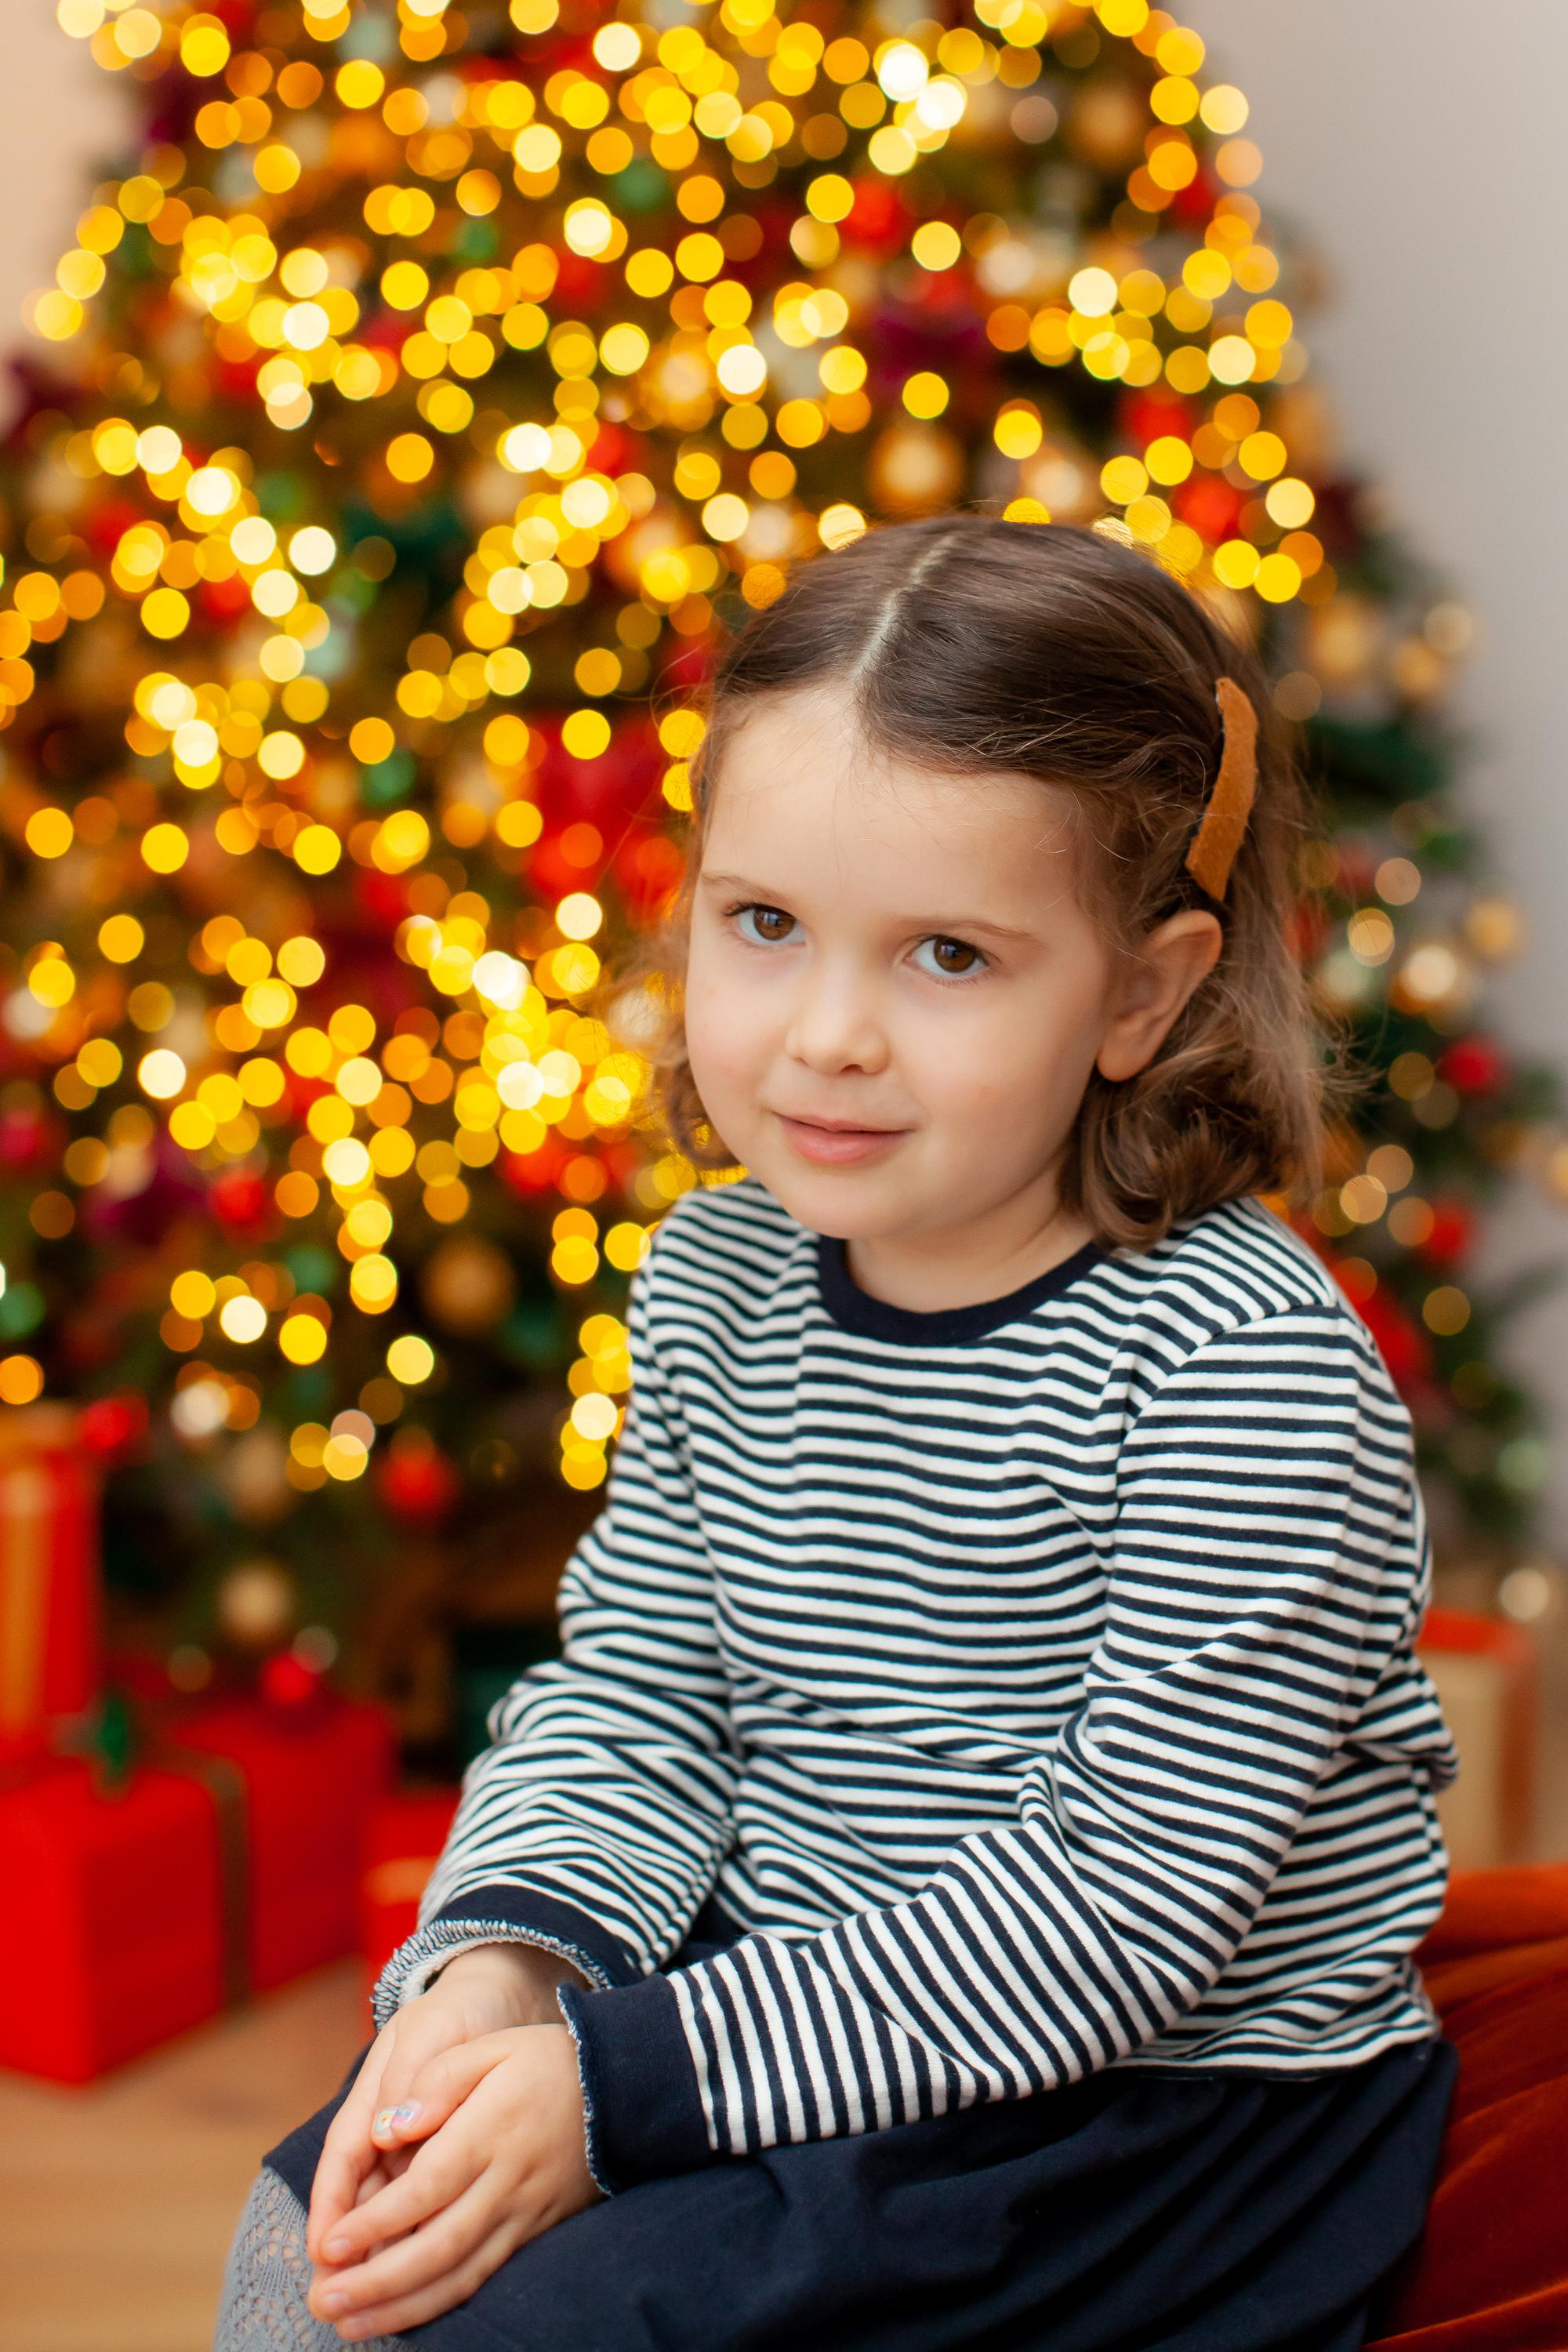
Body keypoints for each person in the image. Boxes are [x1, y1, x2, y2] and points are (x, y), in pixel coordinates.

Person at [213, 514, 1462, 2352]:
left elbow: (1117, 1912)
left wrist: (618, 2090)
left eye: (946, 954)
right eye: (766, 926)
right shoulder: (720, 1274)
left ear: (1140, 991)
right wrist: (505, 1971)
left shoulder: (1239, 1368)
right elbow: (645, 1695)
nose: (826, 1035)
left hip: (1139, 2096)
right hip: (787, 1997)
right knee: (305, 2239)